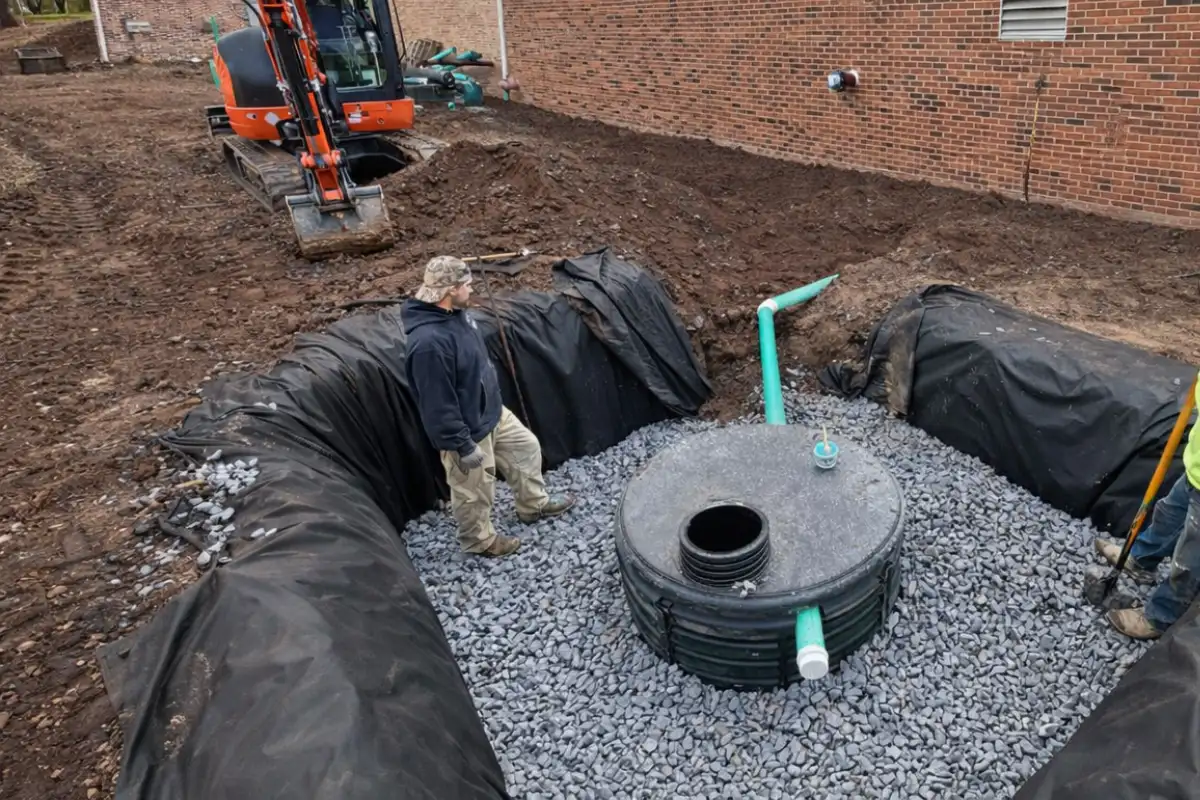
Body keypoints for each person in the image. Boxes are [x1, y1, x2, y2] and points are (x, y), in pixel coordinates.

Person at [402, 256, 575, 557]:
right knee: (474, 489)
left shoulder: (456, 315)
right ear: (450, 290)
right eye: (467, 285)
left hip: (490, 413)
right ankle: (478, 541)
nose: (472, 289)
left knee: (526, 448)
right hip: (467, 430)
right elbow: (437, 404)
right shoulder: (429, 344)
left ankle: (532, 505)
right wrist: (462, 445)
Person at [1094, 374, 1200, 639]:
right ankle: (1141, 560)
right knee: (1168, 515)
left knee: (1189, 557)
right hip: (1196, 469)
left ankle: (1161, 616)